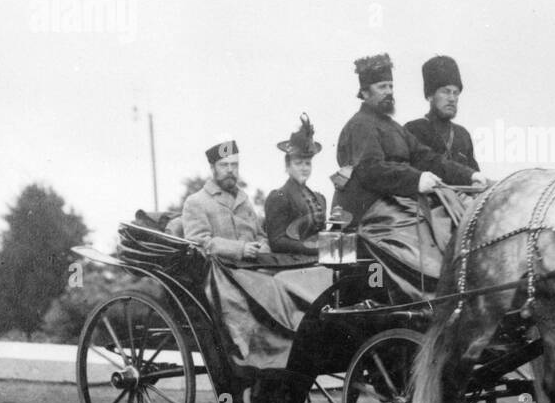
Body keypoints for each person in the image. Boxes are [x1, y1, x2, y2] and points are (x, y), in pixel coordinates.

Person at [332, 53, 488, 227]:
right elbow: (371, 169)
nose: (389, 92)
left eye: (391, 86)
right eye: (382, 87)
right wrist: (417, 179)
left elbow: (428, 159)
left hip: (394, 209)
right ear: (365, 92)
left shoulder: (394, 127)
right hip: (369, 217)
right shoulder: (360, 125)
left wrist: (471, 175)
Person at [181, 139, 269, 262]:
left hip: (255, 267)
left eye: (234, 165)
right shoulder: (196, 201)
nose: (230, 170)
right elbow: (198, 242)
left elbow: (260, 235)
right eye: (224, 165)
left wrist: (263, 247)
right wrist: (239, 249)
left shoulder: (244, 200)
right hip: (221, 272)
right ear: (212, 168)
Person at [263, 114, 327, 255]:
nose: (304, 168)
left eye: (307, 163)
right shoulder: (279, 197)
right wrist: (314, 249)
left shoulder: (319, 198)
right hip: (290, 264)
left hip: (315, 261)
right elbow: (277, 241)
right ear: (288, 166)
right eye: (298, 163)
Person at [404, 55, 481, 173]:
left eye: (456, 93)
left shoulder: (463, 135)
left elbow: (476, 176)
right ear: (430, 95)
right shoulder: (413, 130)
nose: (452, 98)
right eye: (445, 92)